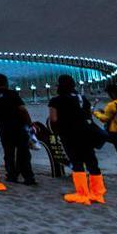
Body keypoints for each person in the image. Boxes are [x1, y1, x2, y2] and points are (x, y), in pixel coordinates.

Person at [49, 74, 105, 205]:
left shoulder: (56, 100)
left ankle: (82, 193)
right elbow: (88, 114)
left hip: (69, 134)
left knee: (77, 162)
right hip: (86, 133)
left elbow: (53, 119)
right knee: (92, 161)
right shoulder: (82, 98)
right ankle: (97, 193)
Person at [0, 74, 35, 186]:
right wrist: (30, 124)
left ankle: (11, 175)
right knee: (23, 152)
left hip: (3, 127)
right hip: (18, 126)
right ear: (6, 82)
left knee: (8, 152)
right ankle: (28, 177)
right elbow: (23, 110)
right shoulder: (13, 94)